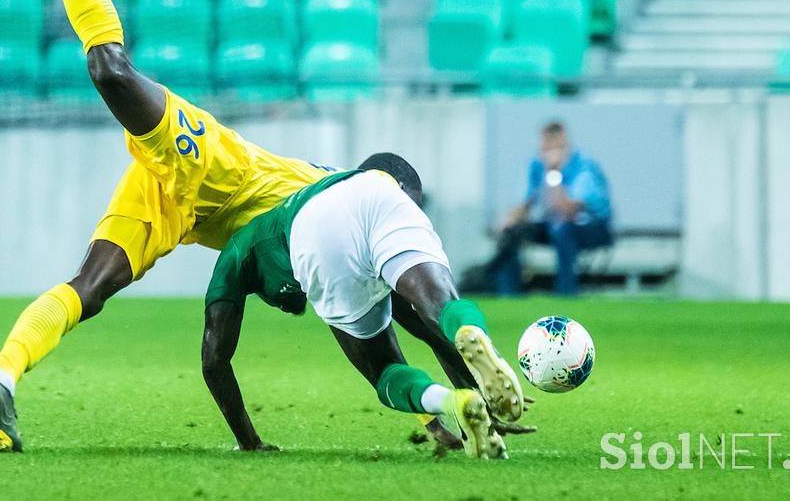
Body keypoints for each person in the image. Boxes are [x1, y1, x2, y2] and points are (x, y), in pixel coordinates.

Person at [0, 0, 378, 453]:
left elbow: (335, 329)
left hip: (187, 211)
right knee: (110, 70)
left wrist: (428, 416)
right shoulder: (342, 198)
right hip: (216, 168)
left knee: (92, 287)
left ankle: (0, 376)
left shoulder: (327, 242)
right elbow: (360, 328)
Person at [200, 158, 527, 459]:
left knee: (384, 371)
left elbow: (214, 361)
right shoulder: (377, 190)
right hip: (382, 198)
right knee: (443, 309)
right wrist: (467, 402)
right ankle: (471, 332)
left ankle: (450, 400)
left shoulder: (239, 253)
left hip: (315, 228)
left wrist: (249, 442)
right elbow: (429, 331)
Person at [470, 121, 612, 296]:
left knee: (564, 231)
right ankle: (508, 294)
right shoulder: (536, 165)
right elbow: (525, 204)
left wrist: (554, 172)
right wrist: (511, 219)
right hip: (555, 225)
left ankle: (566, 293)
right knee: (514, 231)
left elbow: (567, 210)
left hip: (590, 227)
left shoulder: (584, 166)